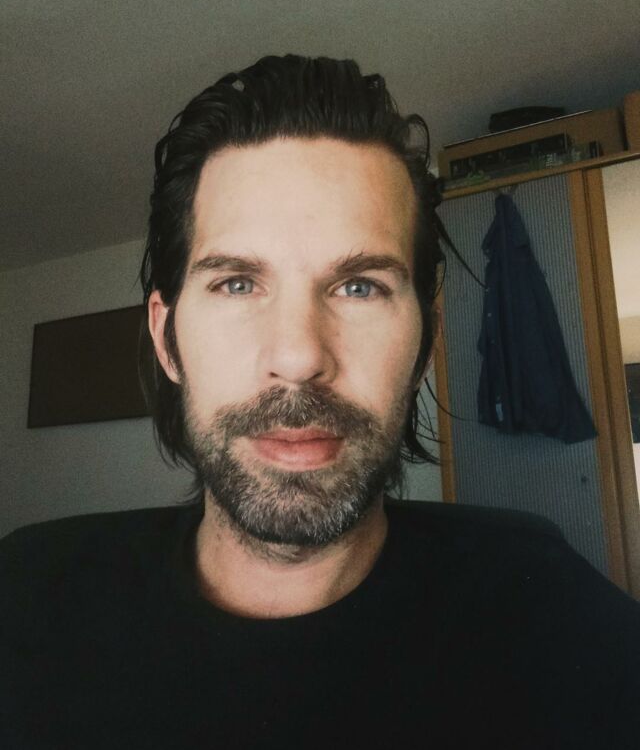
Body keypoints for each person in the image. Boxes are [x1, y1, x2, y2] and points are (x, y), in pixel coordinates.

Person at [1, 54, 639, 749]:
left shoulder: (555, 621)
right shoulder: (26, 593)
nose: (300, 355)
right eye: (237, 283)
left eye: (359, 286)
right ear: (166, 338)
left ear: (426, 341)